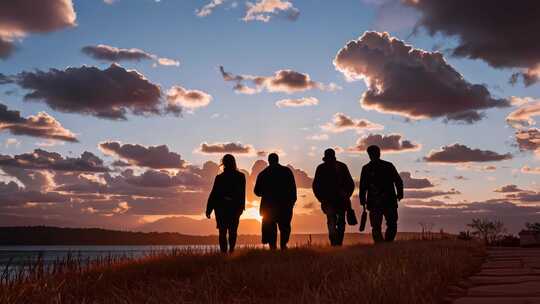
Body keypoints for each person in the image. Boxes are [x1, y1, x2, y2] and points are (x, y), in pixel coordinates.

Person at [359, 145, 403, 243]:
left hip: (382, 201)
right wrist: (399, 194)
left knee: (381, 225)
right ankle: (385, 244)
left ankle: (384, 244)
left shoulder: (367, 168)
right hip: (384, 201)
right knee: (384, 225)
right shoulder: (387, 166)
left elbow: (363, 187)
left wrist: (362, 200)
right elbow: (398, 181)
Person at [312, 149, 355, 246]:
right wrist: (346, 196)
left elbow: (315, 186)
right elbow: (350, 184)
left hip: (331, 201)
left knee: (332, 221)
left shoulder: (321, 168)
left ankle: (335, 243)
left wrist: (321, 198)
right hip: (337, 201)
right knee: (338, 222)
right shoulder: (341, 166)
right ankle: (337, 243)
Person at [254, 153, 297, 250]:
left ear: (269, 161)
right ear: (278, 160)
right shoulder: (286, 171)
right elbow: (293, 188)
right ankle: (283, 245)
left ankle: (273, 247)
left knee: (271, 228)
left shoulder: (263, 173)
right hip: (285, 205)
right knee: (285, 227)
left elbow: (256, 191)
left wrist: (265, 193)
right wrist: (292, 201)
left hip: (268, 207)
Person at [206, 154, 246, 253]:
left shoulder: (220, 178)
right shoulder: (240, 176)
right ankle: (230, 251)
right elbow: (242, 194)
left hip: (221, 208)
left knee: (223, 232)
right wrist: (241, 207)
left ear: (224, 163)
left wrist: (209, 209)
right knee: (232, 231)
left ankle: (224, 253)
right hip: (233, 208)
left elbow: (213, 194)